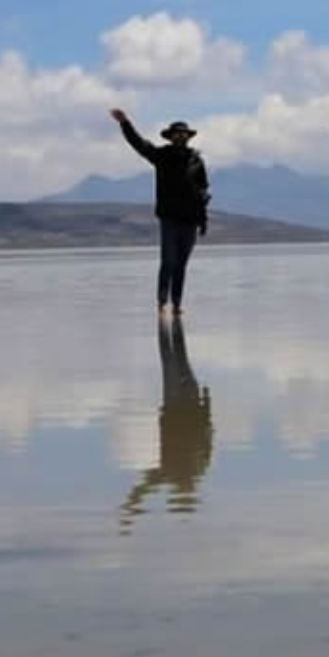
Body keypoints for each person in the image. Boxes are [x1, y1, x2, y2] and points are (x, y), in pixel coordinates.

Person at [111, 108, 210, 315]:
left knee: (181, 264)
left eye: (184, 133)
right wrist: (125, 123)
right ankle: (162, 301)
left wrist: (203, 220)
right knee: (168, 261)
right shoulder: (161, 156)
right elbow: (139, 144)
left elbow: (203, 191)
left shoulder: (196, 161)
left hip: (190, 220)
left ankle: (177, 303)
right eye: (177, 133)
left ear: (188, 137)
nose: (181, 136)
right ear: (171, 136)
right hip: (169, 218)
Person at [118, 318, 213, 532]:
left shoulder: (177, 471)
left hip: (177, 403)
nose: (188, 488)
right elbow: (208, 434)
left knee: (173, 358)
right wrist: (131, 507)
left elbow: (146, 486)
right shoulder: (196, 467)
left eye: (184, 494)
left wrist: (131, 507)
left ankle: (170, 327)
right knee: (175, 358)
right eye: (188, 493)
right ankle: (171, 326)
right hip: (183, 401)